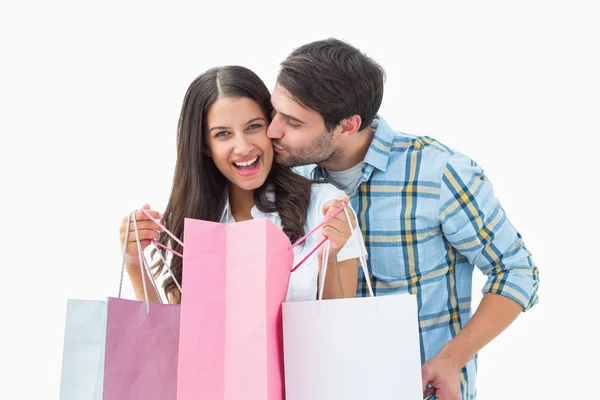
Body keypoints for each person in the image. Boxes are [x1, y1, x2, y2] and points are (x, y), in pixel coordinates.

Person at [266, 38, 540, 400]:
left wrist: (452, 358)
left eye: (293, 122)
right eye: (274, 112)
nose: (272, 131)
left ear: (348, 125)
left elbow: (517, 270)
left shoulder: (439, 172)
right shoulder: (289, 181)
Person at [119, 65, 367, 305]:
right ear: (205, 146)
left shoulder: (324, 207)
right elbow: (174, 337)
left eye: (254, 127)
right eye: (223, 134)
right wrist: (134, 263)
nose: (244, 147)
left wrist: (328, 259)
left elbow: (340, 329)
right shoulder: (191, 221)